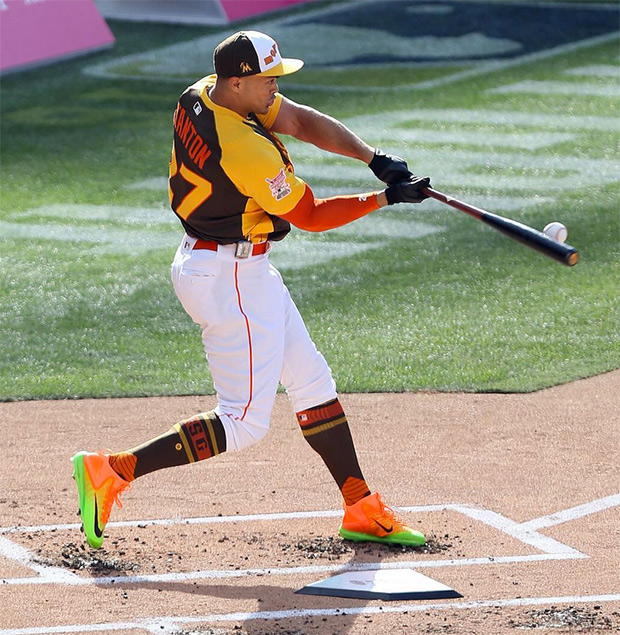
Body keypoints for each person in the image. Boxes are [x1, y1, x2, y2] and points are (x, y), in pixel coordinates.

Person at [72, 31, 431, 550]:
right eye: (268, 80)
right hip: (228, 279)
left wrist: (371, 157)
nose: (275, 89)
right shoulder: (244, 148)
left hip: (234, 268)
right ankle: (113, 470)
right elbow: (308, 216)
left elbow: (302, 121)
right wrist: (383, 198)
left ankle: (361, 506)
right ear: (238, 82)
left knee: (311, 380)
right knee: (241, 422)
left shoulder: (203, 93)